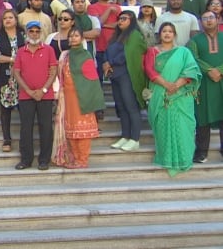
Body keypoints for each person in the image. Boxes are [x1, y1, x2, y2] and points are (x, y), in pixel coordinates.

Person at [144, 22, 202, 176]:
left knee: (184, 125)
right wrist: (166, 85)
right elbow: (150, 70)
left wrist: (176, 85)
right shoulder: (153, 51)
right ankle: (166, 158)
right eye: (164, 31)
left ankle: (184, 158)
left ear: (175, 35)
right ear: (159, 34)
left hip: (181, 95)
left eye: (170, 31)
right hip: (160, 93)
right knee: (163, 125)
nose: (167, 34)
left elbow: (191, 70)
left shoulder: (183, 52)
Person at [52, 27, 105, 169]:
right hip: (66, 97)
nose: (73, 38)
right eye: (70, 36)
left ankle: (82, 159)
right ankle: (73, 157)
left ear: (82, 39)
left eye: (76, 36)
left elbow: (91, 80)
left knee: (82, 130)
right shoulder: (64, 55)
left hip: (82, 97)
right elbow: (59, 75)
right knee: (69, 129)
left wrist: (89, 98)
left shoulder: (85, 55)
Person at [13, 21, 58, 171]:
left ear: (41, 33)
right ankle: (26, 159)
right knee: (26, 128)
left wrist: (43, 90)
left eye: (36, 31)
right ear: (27, 33)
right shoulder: (20, 51)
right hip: (26, 95)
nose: (34, 34)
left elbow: (53, 71)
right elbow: (17, 73)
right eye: (31, 31)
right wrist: (28, 90)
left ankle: (44, 160)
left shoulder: (49, 50)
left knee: (46, 127)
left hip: (45, 95)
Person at [103, 10, 147, 152]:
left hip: (127, 74)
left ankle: (135, 139)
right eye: (119, 18)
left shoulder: (135, 35)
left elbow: (129, 54)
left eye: (124, 19)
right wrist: (106, 62)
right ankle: (125, 136)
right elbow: (108, 52)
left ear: (132, 21)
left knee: (131, 106)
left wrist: (112, 62)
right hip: (115, 75)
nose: (120, 21)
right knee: (121, 107)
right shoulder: (116, 36)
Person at [187, 11, 223, 164]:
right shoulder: (194, 40)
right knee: (202, 117)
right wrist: (210, 70)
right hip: (204, 84)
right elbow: (193, 58)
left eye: (211, 18)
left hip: (221, 80)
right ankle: (201, 151)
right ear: (200, 22)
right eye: (205, 18)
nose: (208, 21)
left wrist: (219, 70)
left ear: (218, 19)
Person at [0, 10, 24, 152]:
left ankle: (25, 140)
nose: (8, 20)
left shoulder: (23, 34)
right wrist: (12, 59)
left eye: (11, 17)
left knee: (25, 110)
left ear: (16, 20)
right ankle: (7, 139)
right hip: (6, 77)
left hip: (24, 78)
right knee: (6, 110)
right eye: (5, 18)